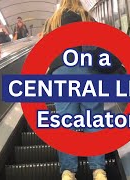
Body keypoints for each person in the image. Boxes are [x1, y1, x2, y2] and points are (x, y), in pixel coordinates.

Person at [42, 0, 107, 180]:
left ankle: (68, 172)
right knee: (93, 119)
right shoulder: (87, 18)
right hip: (89, 70)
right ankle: (98, 171)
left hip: (62, 71)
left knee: (65, 123)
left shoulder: (52, 21)